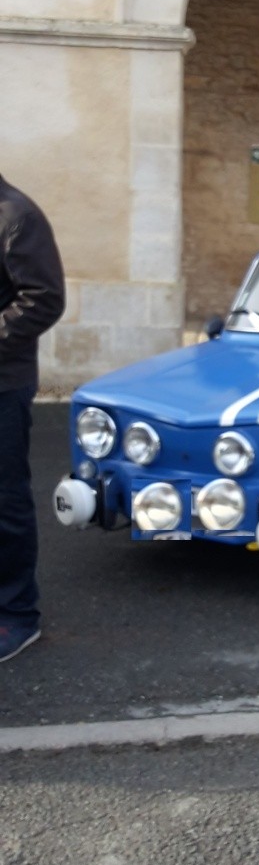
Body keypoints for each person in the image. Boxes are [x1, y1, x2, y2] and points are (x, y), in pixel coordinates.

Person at [0, 174, 65, 662]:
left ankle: (17, 616)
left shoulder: (17, 215)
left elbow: (43, 298)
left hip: (3, 383)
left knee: (5, 501)